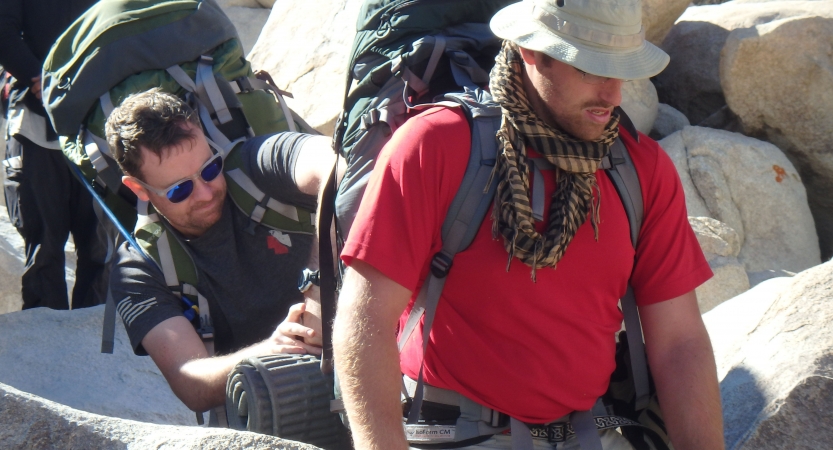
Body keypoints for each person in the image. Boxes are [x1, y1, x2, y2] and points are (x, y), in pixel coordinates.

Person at [332, 0, 725, 449]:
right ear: (531, 52)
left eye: (621, 71)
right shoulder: (435, 146)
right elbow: (365, 319)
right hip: (456, 433)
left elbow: (679, 341)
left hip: (589, 432)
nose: (613, 96)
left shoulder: (641, 169)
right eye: (592, 69)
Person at [106, 89, 335, 413]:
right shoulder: (138, 267)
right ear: (139, 189)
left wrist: (317, 291)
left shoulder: (256, 165)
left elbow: (344, 165)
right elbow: (191, 382)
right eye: (179, 189)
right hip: (269, 401)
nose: (204, 192)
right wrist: (273, 349)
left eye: (210, 169)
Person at [0, 0, 106, 310]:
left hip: (97, 127)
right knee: (44, 249)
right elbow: (3, 31)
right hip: (35, 127)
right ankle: (47, 347)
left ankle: (93, 348)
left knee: (100, 252)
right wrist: (42, 77)